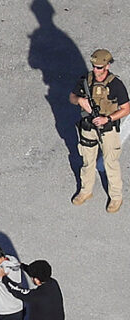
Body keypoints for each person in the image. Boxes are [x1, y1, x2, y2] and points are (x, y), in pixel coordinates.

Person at [70, 49, 130, 213]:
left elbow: (126, 109)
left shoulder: (115, 84)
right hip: (88, 127)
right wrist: (80, 100)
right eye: (94, 67)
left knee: (111, 163)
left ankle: (116, 197)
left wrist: (108, 119)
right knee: (87, 161)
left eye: (100, 67)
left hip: (107, 129)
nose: (96, 70)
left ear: (108, 66)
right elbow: (72, 97)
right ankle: (85, 191)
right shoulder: (86, 81)